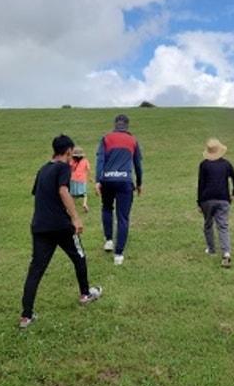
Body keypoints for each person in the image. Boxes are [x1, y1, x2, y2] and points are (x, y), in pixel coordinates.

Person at [20, 135, 102, 329]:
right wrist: (75, 218)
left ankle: (26, 316)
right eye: (72, 154)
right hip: (60, 226)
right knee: (79, 256)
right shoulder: (63, 167)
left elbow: (38, 193)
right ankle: (85, 294)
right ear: (67, 152)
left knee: (36, 269)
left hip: (40, 226)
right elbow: (63, 191)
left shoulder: (43, 169)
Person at [95, 114, 143, 265]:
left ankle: (109, 240)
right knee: (123, 217)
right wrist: (139, 183)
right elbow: (138, 165)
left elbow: (100, 160)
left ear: (115, 124)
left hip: (107, 180)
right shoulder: (133, 140)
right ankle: (118, 255)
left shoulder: (106, 138)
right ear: (127, 126)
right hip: (125, 181)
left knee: (107, 208)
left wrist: (98, 180)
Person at [197, 138, 234, 268]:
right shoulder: (226, 164)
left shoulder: (204, 165)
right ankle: (226, 253)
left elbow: (201, 184)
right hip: (223, 199)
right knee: (223, 226)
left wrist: (199, 202)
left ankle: (211, 249)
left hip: (207, 200)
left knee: (208, 224)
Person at [70, 146, 91, 213]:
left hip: (73, 179)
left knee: (72, 195)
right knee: (84, 194)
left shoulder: (72, 161)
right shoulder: (85, 161)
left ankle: (71, 207)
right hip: (82, 180)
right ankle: (84, 204)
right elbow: (88, 169)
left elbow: (70, 168)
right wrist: (90, 177)